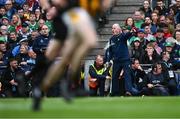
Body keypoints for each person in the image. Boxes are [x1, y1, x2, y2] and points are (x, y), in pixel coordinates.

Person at [31, 0, 112, 110]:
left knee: (65, 60)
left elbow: (103, 7)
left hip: (83, 18)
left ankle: (39, 91)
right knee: (90, 41)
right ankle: (71, 81)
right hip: (75, 15)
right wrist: (50, 6)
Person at [105, 23, 138, 96]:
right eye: (112, 28)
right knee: (114, 77)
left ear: (119, 29)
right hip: (116, 61)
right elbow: (110, 51)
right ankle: (115, 93)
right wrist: (108, 60)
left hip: (125, 60)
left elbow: (127, 35)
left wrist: (131, 31)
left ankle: (129, 91)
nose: (113, 30)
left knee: (127, 75)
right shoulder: (111, 39)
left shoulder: (122, 36)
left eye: (114, 28)